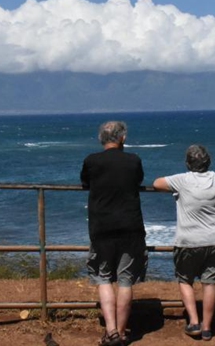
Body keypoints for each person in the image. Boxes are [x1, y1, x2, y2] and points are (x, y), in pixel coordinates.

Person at [153, 144, 215, 341]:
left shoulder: (181, 180)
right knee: (209, 283)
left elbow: (157, 183)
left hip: (188, 240)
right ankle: (208, 327)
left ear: (187, 163)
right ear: (208, 162)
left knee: (185, 280)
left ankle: (194, 322)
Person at [81, 121, 148, 346]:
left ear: (102, 139)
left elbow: (85, 183)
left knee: (104, 278)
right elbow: (138, 180)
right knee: (126, 281)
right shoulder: (133, 160)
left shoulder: (91, 161)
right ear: (123, 138)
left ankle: (111, 332)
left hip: (101, 227)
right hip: (131, 225)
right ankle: (122, 331)